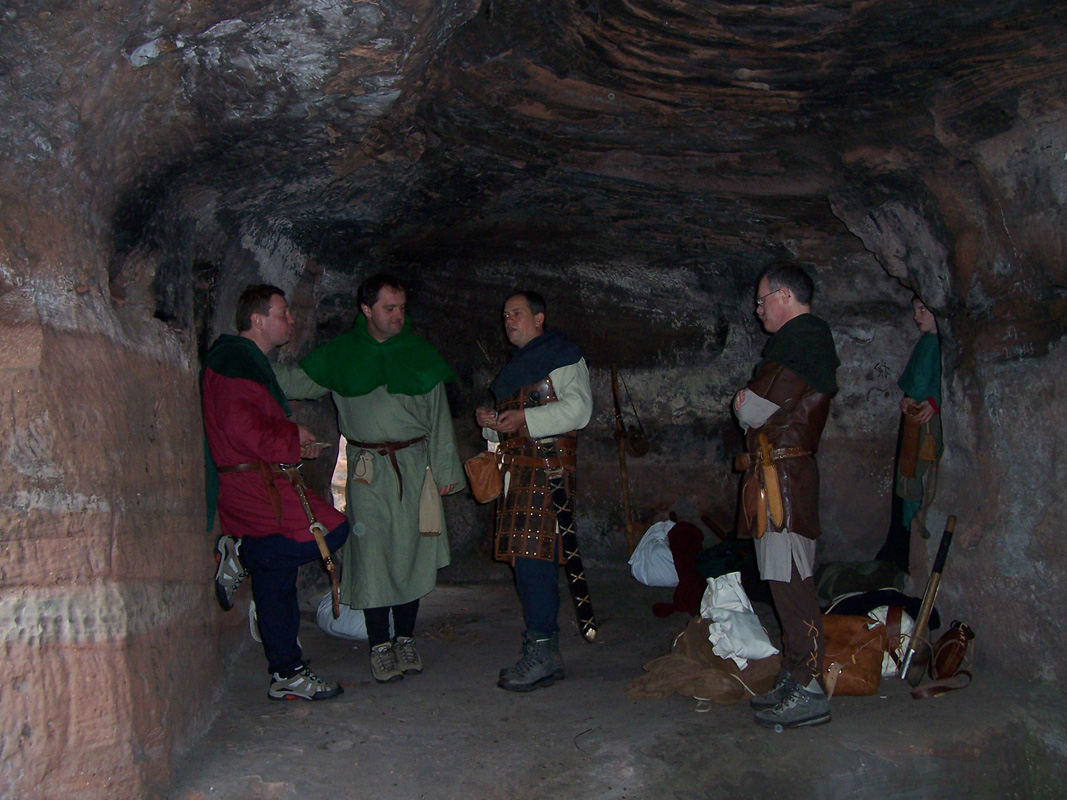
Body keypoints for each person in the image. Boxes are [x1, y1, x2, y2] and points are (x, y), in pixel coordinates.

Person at [274, 275, 465, 683]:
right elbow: (293, 383)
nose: (398, 316)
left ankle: (406, 639)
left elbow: (438, 418)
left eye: (401, 308)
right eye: (389, 308)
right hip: (367, 471)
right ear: (366, 310)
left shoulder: (418, 354)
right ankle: (380, 645)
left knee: (411, 553)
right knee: (372, 554)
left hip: (414, 465)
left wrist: (445, 470)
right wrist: (250, 358)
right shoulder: (342, 354)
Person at [202, 284, 349, 701]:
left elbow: (253, 424)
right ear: (257, 320)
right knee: (332, 530)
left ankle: (287, 673)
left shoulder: (248, 362)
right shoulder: (233, 361)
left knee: (276, 580)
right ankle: (241, 553)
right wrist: (289, 436)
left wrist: (293, 441)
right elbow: (240, 429)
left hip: (262, 476)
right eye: (282, 313)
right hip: (251, 483)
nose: (291, 320)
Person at [732, 262, 839, 728]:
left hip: (784, 481)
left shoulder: (803, 341)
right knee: (781, 580)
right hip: (775, 477)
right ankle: (797, 675)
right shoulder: (798, 344)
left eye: (762, 300)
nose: (758, 310)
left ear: (785, 296)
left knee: (792, 583)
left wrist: (742, 402)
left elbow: (752, 410)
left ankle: (810, 687)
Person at [475, 291, 593, 692]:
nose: (509, 320)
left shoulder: (564, 356)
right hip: (518, 473)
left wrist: (524, 417)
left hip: (547, 472)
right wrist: (491, 423)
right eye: (505, 314)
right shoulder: (516, 368)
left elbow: (578, 410)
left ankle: (542, 651)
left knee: (535, 562)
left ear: (539, 318)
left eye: (517, 313)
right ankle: (545, 651)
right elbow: (508, 429)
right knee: (524, 563)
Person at [876, 295, 942, 572]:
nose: (917, 316)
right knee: (906, 476)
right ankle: (902, 546)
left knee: (918, 477)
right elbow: (914, 384)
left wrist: (934, 403)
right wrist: (908, 400)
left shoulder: (941, 345)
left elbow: (941, 383)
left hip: (926, 426)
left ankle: (913, 547)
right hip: (914, 421)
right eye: (915, 310)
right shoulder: (926, 343)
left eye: (923, 310)